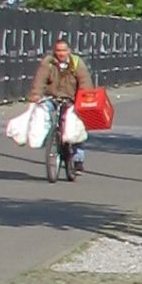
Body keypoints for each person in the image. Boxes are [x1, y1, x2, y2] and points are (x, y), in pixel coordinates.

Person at [28, 36, 94, 178]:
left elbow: (85, 82)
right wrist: (35, 95)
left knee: (75, 127)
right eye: (58, 50)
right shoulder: (48, 62)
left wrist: (83, 99)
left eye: (64, 50)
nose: (61, 53)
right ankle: (50, 138)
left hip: (72, 99)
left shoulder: (76, 63)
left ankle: (78, 160)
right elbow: (40, 80)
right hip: (52, 97)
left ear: (68, 51)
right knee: (42, 113)